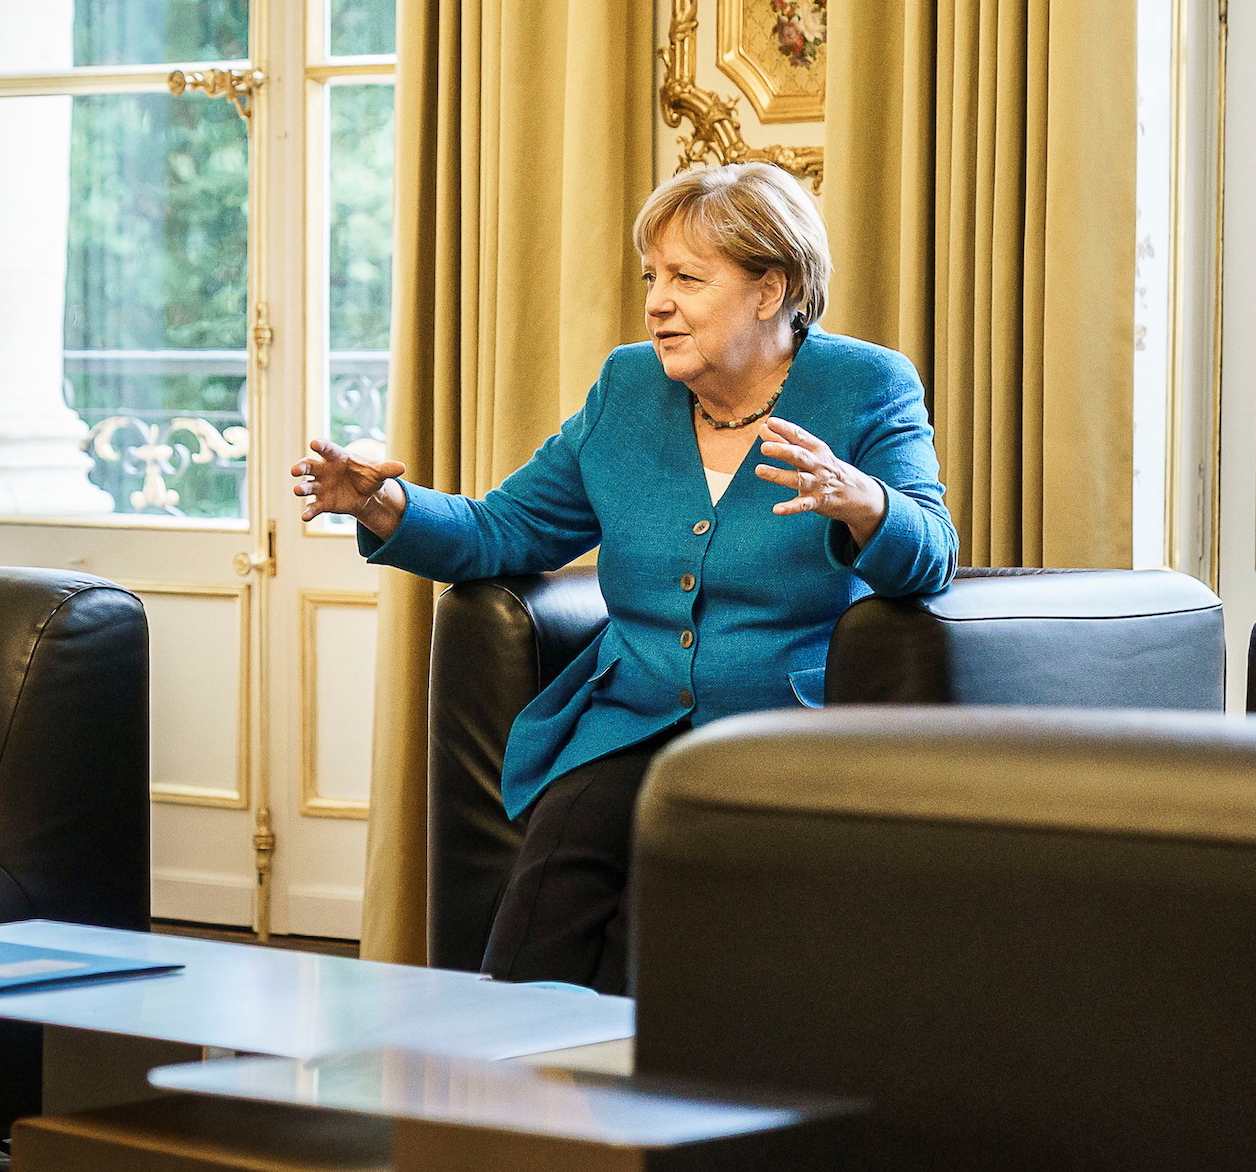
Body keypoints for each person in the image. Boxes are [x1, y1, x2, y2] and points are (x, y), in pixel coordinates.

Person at [294, 161, 959, 993]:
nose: (656, 302)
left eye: (687, 278)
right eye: (652, 277)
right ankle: (498, 1095)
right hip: (631, 715)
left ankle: (631, 1107)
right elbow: (509, 528)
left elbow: (932, 552)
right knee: (546, 907)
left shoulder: (865, 386)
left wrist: (864, 503)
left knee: (658, 916)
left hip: (779, 728)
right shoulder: (628, 386)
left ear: (769, 289)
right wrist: (384, 506)